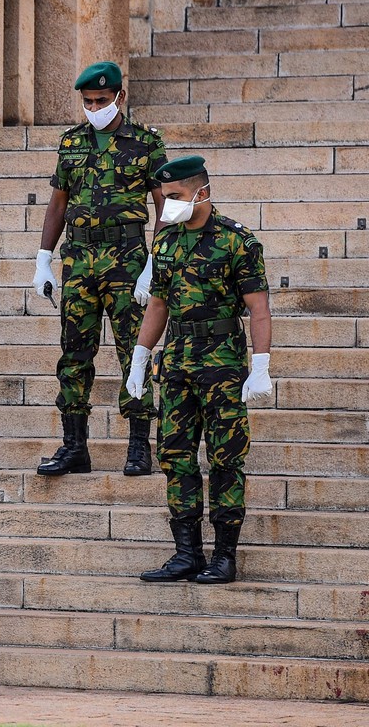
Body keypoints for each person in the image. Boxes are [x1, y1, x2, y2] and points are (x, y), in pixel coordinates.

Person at [126, 155, 272, 585]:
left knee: (226, 458)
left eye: (175, 196)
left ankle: (224, 555)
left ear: (201, 192)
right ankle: (186, 552)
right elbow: (158, 305)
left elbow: (258, 309)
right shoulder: (166, 243)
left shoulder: (237, 242)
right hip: (176, 365)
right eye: (165, 197)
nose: (168, 204)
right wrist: (140, 354)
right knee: (175, 456)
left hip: (222, 365)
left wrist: (260, 365)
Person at [33, 61, 167, 478]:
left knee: (135, 353)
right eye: (88, 102)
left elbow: (165, 206)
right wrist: (43, 258)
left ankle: (138, 446)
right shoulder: (71, 142)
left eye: (102, 101)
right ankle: (74, 445)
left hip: (127, 257)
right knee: (74, 354)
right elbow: (58, 203)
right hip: (79, 258)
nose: (94, 108)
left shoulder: (145, 142)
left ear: (119, 98)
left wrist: (154, 263)